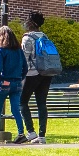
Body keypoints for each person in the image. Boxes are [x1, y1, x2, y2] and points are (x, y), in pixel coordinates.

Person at [0, 26, 27, 144]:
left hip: (4, 82)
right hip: (17, 82)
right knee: (15, 109)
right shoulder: (19, 50)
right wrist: (19, 78)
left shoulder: (0, 50)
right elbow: (25, 68)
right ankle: (21, 133)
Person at [19, 12, 58, 144]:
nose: (26, 22)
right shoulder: (44, 36)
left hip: (32, 74)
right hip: (46, 73)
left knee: (22, 101)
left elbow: (24, 59)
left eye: (28, 20)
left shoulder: (27, 38)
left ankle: (30, 132)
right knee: (41, 103)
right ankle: (42, 135)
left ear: (32, 23)